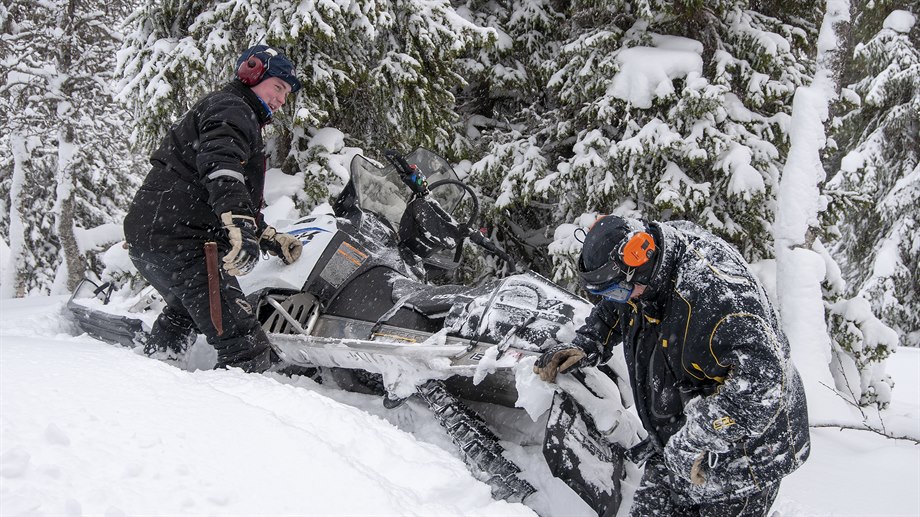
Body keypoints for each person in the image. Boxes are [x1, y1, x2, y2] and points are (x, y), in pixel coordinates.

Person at [534, 215, 810, 516]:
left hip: (744, 455)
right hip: (676, 436)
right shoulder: (650, 267)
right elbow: (619, 304)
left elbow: (764, 387)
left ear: (641, 262)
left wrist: (696, 438)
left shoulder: (720, 301)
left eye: (617, 290)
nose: (616, 299)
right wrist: (589, 342)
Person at [123, 45, 305, 372]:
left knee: (184, 311)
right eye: (278, 86)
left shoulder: (230, 110)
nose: (281, 99)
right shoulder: (233, 109)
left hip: (154, 237)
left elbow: (220, 187)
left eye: (287, 93)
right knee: (244, 344)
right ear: (252, 74)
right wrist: (239, 224)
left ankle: (157, 373)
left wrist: (267, 235)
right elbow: (221, 169)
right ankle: (230, 418)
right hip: (185, 242)